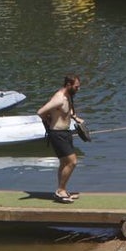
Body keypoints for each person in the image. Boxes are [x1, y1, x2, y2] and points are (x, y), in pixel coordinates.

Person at [37, 74, 85, 203]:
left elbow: (66, 109)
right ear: (68, 85)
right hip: (57, 134)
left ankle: (62, 190)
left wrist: (75, 118)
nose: (78, 89)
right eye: (76, 87)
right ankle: (60, 191)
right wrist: (48, 122)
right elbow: (40, 112)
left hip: (65, 132)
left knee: (64, 163)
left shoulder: (68, 96)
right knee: (72, 161)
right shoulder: (59, 98)